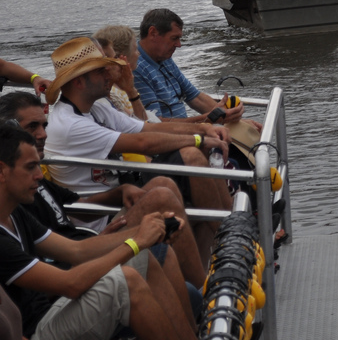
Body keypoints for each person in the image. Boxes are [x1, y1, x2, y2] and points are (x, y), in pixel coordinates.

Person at [43, 37, 232, 262]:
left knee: (192, 173)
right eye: (100, 71)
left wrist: (202, 128)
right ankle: (229, 244)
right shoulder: (70, 124)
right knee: (188, 158)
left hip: (123, 196)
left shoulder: (95, 109)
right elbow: (143, 143)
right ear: (79, 82)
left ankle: (229, 240)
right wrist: (198, 139)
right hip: (105, 218)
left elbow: (146, 128)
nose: (109, 74)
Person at [0, 125, 196, 340]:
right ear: (2, 171)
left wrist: (148, 231)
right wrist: (135, 242)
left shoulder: (15, 213)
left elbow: (77, 250)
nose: (39, 175)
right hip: (34, 332)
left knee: (142, 257)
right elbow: (70, 284)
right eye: (30, 167)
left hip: (49, 314)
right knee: (125, 281)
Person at [0, 91, 207, 289]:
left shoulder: (33, 184)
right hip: (76, 263)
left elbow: (78, 209)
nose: (44, 134)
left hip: (85, 244)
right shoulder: (15, 198)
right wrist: (137, 239)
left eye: (45, 125)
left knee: (163, 187)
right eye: (32, 127)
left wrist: (120, 193)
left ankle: (209, 278)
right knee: (163, 197)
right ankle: (205, 291)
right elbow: (65, 276)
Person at [132, 10, 244, 124]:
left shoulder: (164, 58)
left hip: (187, 132)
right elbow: (155, 124)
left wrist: (234, 120)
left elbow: (195, 97)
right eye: (174, 38)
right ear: (153, 33)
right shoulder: (136, 68)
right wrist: (210, 118)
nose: (179, 44)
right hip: (171, 138)